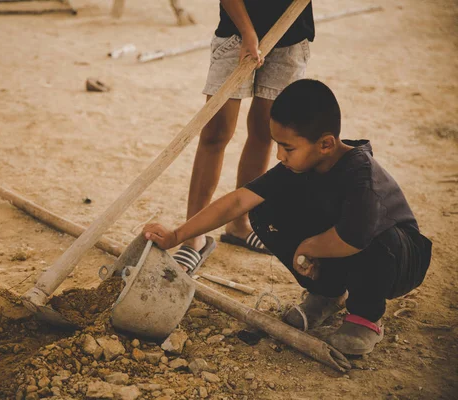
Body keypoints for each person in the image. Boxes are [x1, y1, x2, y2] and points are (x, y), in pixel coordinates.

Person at [144, 79, 432, 355]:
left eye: (288, 148)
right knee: (263, 208)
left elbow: (354, 238)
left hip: (397, 257)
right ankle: (327, 293)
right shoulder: (301, 165)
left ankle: (366, 315)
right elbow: (238, 202)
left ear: (326, 144)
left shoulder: (362, 176)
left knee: (373, 231)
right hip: (347, 243)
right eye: (277, 145)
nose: (280, 155)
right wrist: (177, 235)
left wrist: (309, 247)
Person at [172, 0, 315, 272]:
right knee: (215, 133)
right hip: (235, 35)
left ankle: (239, 224)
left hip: (290, 39)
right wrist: (248, 33)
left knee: (265, 132)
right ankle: (193, 238)